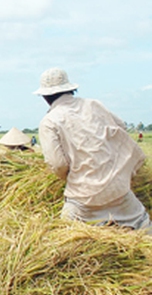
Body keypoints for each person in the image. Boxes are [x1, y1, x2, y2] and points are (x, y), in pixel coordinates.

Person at [35, 68, 150, 230]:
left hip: (83, 200)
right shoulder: (94, 105)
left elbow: (58, 164)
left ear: (45, 97)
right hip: (119, 188)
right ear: (70, 89)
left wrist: (74, 177)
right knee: (142, 225)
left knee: (64, 236)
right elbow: (121, 127)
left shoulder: (49, 121)